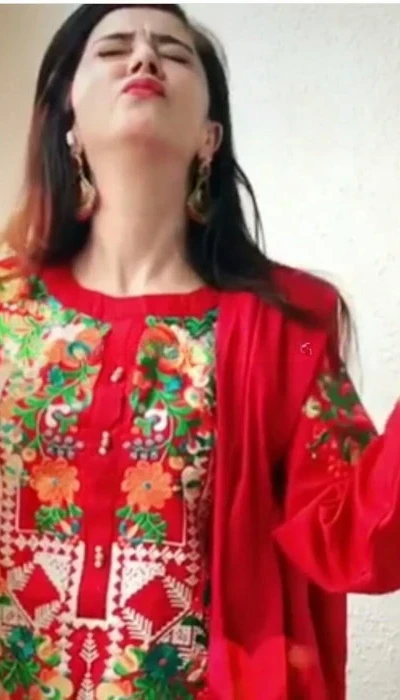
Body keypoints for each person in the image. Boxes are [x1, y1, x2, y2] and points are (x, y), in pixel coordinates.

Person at [0, 4, 399, 699]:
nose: (144, 59)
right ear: (68, 116)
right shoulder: (8, 305)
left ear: (210, 134)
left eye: (175, 54)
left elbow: (358, 538)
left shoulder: (286, 326)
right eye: (114, 49)